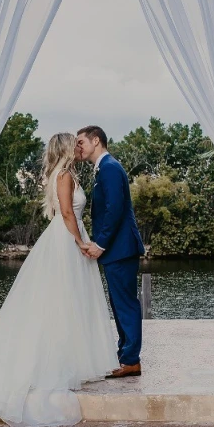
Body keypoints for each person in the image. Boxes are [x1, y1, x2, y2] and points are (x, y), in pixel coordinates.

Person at [0, 132, 118, 427]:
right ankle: (60, 362)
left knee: (65, 301)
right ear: (67, 149)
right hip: (67, 238)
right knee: (65, 301)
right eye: (76, 143)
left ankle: (72, 358)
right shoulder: (65, 174)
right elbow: (67, 212)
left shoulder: (60, 172)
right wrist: (80, 241)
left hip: (62, 236)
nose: (79, 147)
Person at [76, 125, 145, 378]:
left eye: (81, 142)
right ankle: (125, 355)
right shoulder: (103, 169)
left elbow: (114, 210)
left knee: (125, 304)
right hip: (117, 250)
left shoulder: (110, 168)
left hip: (120, 248)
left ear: (96, 141)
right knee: (119, 304)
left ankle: (131, 360)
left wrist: (100, 243)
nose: (78, 147)